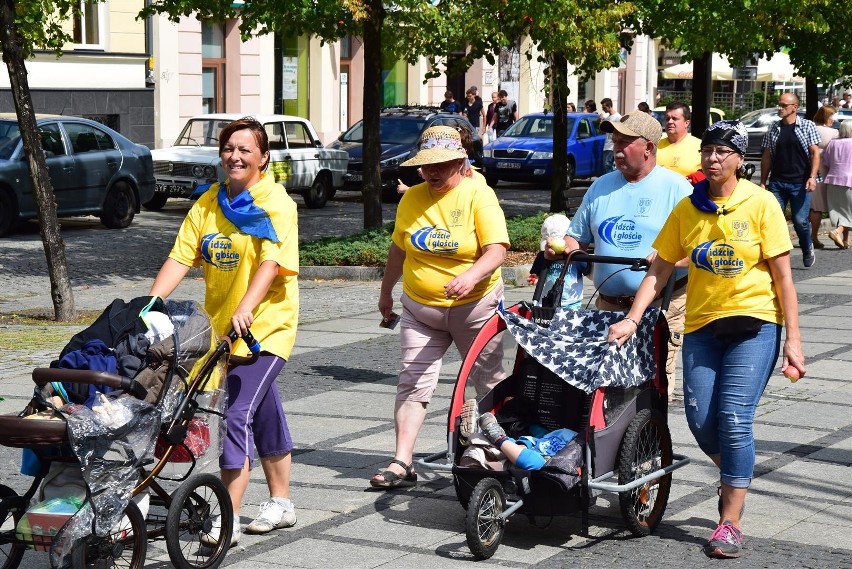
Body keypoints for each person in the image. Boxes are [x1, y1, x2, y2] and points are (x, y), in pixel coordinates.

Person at [608, 120, 805, 560]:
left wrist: (794, 340)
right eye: (708, 151)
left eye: (722, 152)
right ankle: (735, 473)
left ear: (740, 160)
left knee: (734, 419)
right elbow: (660, 268)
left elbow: (784, 277)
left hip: (755, 325)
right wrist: (633, 319)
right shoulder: (688, 207)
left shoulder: (761, 203)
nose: (713, 159)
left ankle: (729, 522)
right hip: (701, 326)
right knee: (700, 422)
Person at [148, 118, 299, 545]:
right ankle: (282, 502)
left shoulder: (276, 203)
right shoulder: (210, 202)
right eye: (229, 148)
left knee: (237, 413)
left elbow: (271, 263)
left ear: (263, 157)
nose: (235, 156)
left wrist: (247, 307)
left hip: (264, 326)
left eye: (245, 150)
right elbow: (180, 257)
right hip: (221, 327)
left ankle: (226, 518)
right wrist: (149, 305)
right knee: (263, 407)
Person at [371, 126, 510, 489]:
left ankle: (492, 450)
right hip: (421, 309)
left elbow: (497, 250)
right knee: (412, 381)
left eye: (442, 165)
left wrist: (470, 275)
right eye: (426, 166)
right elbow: (399, 248)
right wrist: (386, 292)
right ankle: (403, 461)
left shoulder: (479, 195)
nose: (432, 172)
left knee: (488, 382)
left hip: (474, 306)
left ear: (460, 162)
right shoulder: (411, 199)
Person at [556, 111, 692, 402]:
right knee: (605, 389)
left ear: (648, 148)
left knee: (652, 390)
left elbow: (698, 252)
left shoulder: (677, 188)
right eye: (615, 140)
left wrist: (669, 258)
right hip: (607, 306)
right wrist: (566, 248)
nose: (617, 148)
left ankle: (651, 444)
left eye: (626, 142)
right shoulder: (601, 186)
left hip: (662, 305)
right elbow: (575, 236)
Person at [759, 92, 821, 268]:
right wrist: (763, 181)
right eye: (779, 104)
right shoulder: (773, 128)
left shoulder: (807, 126)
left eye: (784, 105)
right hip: (778, 182)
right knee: (774, 219)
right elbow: (767, 156)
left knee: (800, 220)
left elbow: (815, 153)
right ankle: (775, 255)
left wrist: (812, 177)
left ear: (795, 107)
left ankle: (807, 246)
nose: (780, 108)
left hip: (800, 182)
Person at [810, 105, 838, 249]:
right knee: (816, 208)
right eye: (832, 116)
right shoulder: (833, 133)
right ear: (827, 117)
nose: (834, 119)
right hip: (822, 173)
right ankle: (813, 237)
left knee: (807, 207)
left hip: (804, 171)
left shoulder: (809, 128)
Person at [822, 120, 852, 248]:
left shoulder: (833, 143)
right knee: (849, 211)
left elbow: (827, 162)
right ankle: (837, 231)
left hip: (832, 180)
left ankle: (846, 240)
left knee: (841, 211)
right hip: (849, 180)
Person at [657, 101, 702, 178]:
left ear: (686, 123)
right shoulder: (655, 146)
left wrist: (694, 179)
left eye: (674, 118)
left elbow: (708, 172)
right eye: (667, 118)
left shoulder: (700, 146)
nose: (670, 122)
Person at [600, 98, 622, 173]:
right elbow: (604, 131)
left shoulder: (617, 117)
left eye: (604, 107)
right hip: (607, 144)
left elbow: (620, 131)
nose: (603, 109)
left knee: (607, 164)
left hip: (612, 145)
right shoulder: (608, 117)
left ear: (609, 106)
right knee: (605, 165)